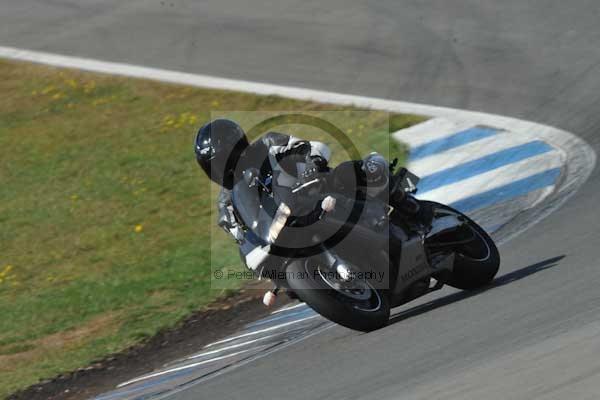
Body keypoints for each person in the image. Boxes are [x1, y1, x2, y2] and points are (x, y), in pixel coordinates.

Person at [194, 119, 431, 306]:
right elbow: (240, 234)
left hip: (314, 193)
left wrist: (312, 163)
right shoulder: (226, 204)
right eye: (214, 164)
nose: (222, 167)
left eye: (224, 158)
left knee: (354, 170)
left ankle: (410, 206)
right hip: (285, 226)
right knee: (283, 279)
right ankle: (330, 288)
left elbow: (310, 146)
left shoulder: (267, 145)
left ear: (237, 145)